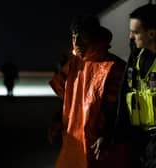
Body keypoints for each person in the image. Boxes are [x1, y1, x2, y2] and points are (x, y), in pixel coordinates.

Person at [49, 15, 130, 168]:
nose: (76, 42)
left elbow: (120, 109)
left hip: (101, 145)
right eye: (74, 36)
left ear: (95, 37)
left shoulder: (114, 67)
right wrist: (57, 119)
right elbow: (66, 99)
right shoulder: (73, 65)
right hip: (75, 142)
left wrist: (108, 134)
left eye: (83, 37)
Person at [115, 4, 156, 168]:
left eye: (135, 32)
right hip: (139, 141)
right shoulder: (136, 60)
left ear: (151, 34)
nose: (130, 37)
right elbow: (123, 95)